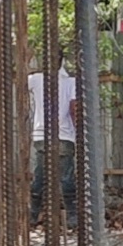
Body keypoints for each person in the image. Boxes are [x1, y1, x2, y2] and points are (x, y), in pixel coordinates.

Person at [27, 52, 79, 228]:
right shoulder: (71, 82)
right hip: (64, 136)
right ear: (62, 61)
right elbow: (74, 109)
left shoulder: (35, 79)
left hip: (42, 135)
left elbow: (18, 83)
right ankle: (72, 217)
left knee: (40, 177)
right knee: (66, 177)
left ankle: (33, 215)